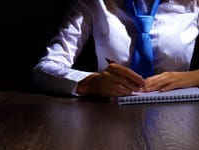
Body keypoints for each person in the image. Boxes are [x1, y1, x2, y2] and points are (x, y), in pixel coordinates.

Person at [33, 0, 199, 96]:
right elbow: (43, 69)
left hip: (176, 121)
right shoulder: (95, 3)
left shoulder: (193, 3)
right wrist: (92, 83)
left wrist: (192, 78)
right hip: (110, 118)